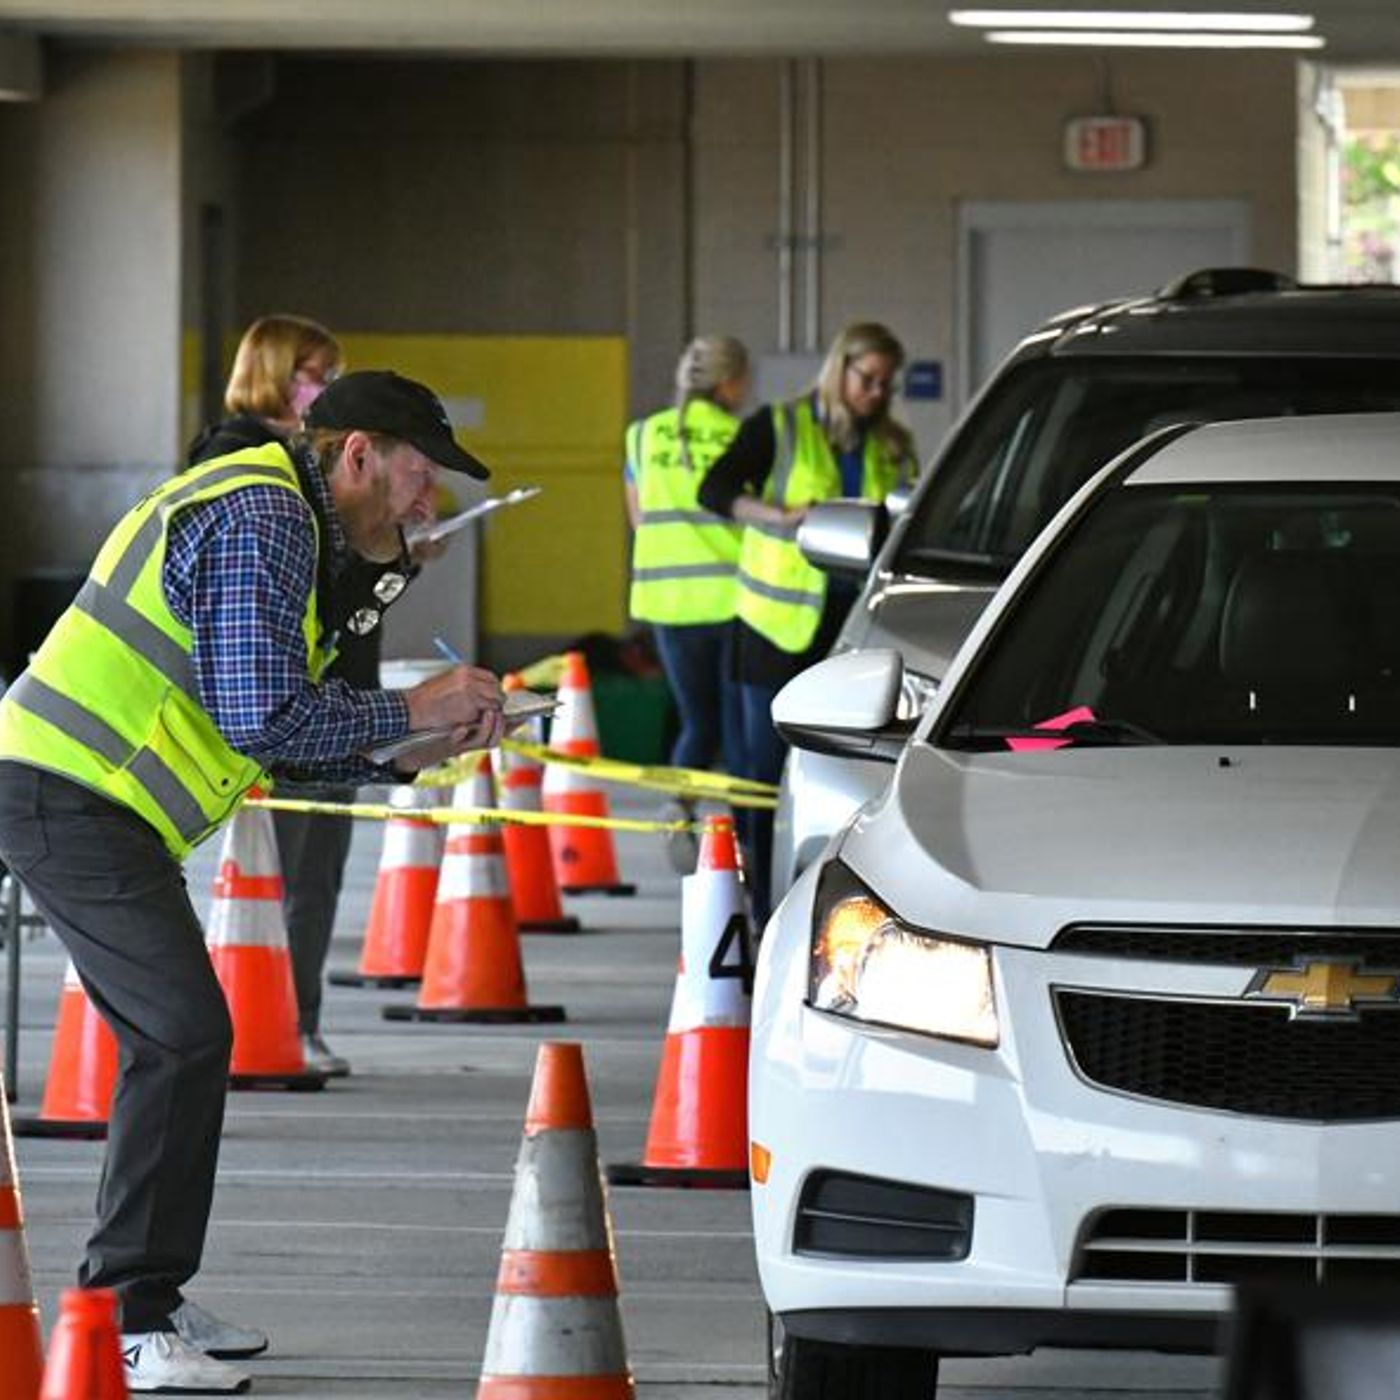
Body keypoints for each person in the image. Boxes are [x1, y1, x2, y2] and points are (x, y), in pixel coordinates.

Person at [0, 369, 503, 1394]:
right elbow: (262, 715)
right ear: (357, 452)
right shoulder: (264, 516)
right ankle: (132, 1315)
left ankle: (150, 1293)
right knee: (182, 1032)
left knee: (181, 1034)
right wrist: (413, 701)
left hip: (102, 802)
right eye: (418, 475)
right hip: (67, 793)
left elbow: (285, 725)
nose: (427, 503)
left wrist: (407, 743)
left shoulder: (288, 521)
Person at [187, 315, 411, 1078]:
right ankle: (257, 1023)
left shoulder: (325, 474)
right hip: (281, 707)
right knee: (273, 877)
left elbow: (348, 606)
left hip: (342, 692)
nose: (324, 386)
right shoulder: (250, 469)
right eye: (314, 371)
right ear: (277, 373)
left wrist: (393, 551)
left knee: (319, 876)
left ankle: (298, 1018)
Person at [698, 321, 916, 922]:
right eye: (866, 377)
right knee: (760, 779)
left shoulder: (892, 443)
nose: (875, 392)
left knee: (839, 783)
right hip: (772, 627)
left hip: (850, 635)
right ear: (839, 368)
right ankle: (757, 908)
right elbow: (713, 491)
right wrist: (777, 517)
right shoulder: (781, 425)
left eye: (885, 383)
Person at [624, 335, 749, 801]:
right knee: (738, 732)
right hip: (733, 602)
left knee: (698, 723)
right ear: (732, 383)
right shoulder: (740, 436)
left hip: (667, 605)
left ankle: (679, 821)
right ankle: (744, 841)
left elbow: (639, 518)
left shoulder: (641, 436)